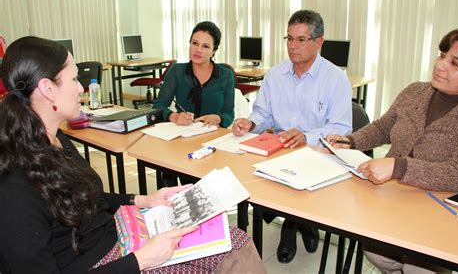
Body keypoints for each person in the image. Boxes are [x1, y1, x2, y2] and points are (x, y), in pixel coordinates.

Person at [0, 36, 266, 273]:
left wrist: (144, 199)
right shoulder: (15, 187)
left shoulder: (58, 140)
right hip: (108, 262)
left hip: (119, 238)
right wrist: (143, 259)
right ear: (48, 89)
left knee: (236, 240)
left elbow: (88, 197)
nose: (81, 88)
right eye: (73, 79)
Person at [326, 27, 458, 274]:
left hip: (441, 215)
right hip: (393, 201)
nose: (440, 66)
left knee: (420, 270)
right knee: (375, 251)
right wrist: (351, 141)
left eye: (455, 63)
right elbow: (383, 128)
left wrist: (399, 166)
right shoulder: (415, 91)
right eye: (441, 55)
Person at [232, 10, 353, 263]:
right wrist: (250, 122)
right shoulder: (275, 75)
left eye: (300, 40)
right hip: (279, 149)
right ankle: (297, 223)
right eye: (289, 38)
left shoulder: (336, 79)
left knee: (298, 185)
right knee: (251, 177)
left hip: (318, 154)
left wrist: (307, 137)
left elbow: (341, 127)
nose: (292, 46)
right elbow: (263, 113)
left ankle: (294, 225)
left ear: (319, 42)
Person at [153, 21, 235, 187]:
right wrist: (173, 116)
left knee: (208, 189)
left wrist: (218, 118)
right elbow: (158, 105)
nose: (198, 50)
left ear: (214, 51)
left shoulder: (225, 75)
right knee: (175, 178)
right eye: (194, 43)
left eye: (205, 46)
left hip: (212, 144)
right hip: (181, 141)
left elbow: (228, 114)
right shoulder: (177, 71)